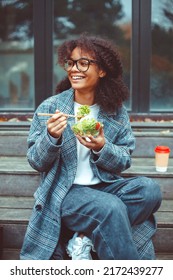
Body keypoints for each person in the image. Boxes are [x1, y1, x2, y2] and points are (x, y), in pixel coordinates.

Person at [20, 34, 162, 260]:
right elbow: (36, 161)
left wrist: (102, 147)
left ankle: (84, 239)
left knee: (150, 190)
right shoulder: (51, 107)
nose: (74, 69)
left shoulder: (114, 110)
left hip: (105, 186)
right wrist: (51, 137)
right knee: (110, 208)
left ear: (102, 70)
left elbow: (124, 159)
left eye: (83, 62)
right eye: (71, 62)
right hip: (65, 192)